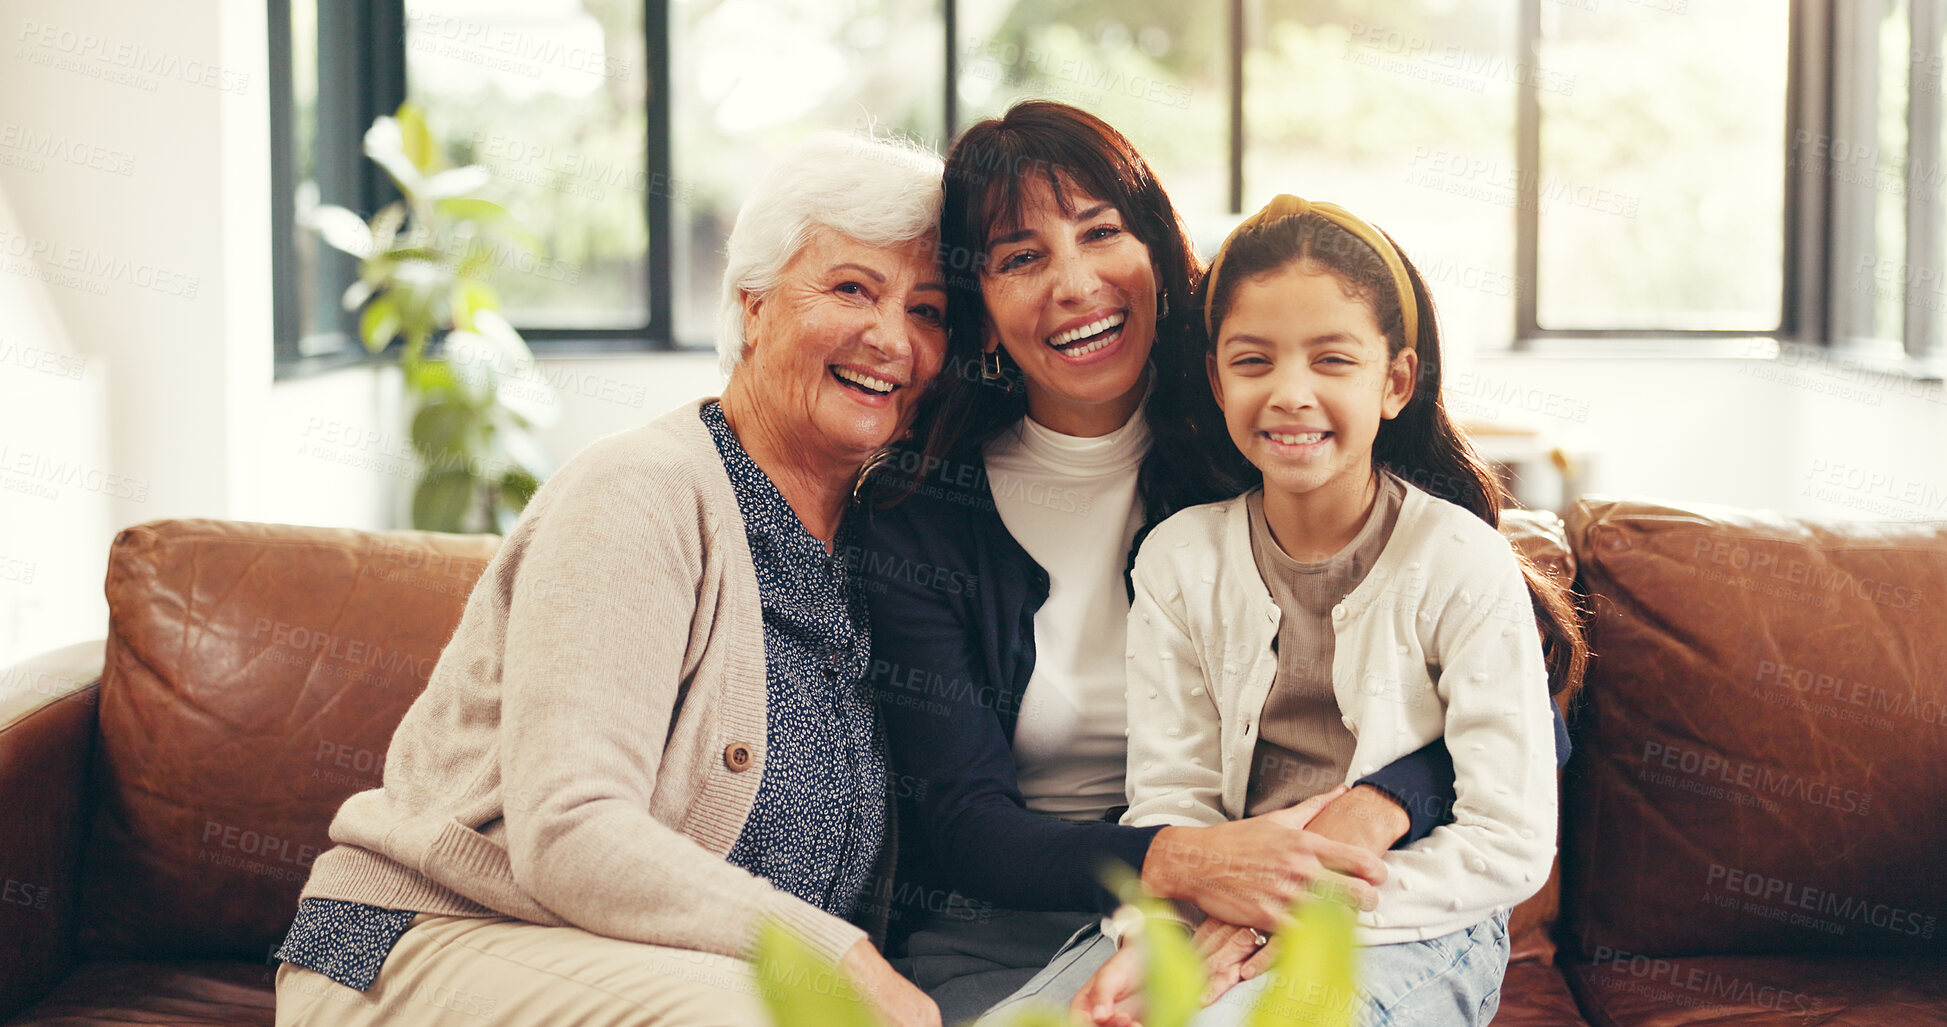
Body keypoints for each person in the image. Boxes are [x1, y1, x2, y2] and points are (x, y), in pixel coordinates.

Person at [854, 102, 1566, 1025]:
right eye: (1020, 257)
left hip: (1297, 898)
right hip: (1044, 915)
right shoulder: (919, 516)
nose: (1073, 283)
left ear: (1156, 253)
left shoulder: (1265, 449)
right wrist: (1190, 875)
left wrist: (1371, 809)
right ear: (979, 311)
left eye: (1101, 231)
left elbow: (1525, 720)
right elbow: (959, 824)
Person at [272, 131, 951, 1027]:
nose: (891, 337)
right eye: (852, 288)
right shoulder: (642, 490)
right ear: (752, 304)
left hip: (649, 970)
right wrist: (842, 958)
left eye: (929, 310)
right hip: (421, 940)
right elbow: (569, 828)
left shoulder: (871, 542)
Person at [1056, 194, 1590, 1026]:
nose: (1289, 393)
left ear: (1396, 381)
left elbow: (1506, 842)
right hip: (1215, 911)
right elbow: (1172, 797)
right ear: (1215, 378)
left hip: (1411, 919)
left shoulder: (1458, 558)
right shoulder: (1178, 558)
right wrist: (1159, 936)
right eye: (1253, 360)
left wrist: (1280, 910)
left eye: (1332, 360)